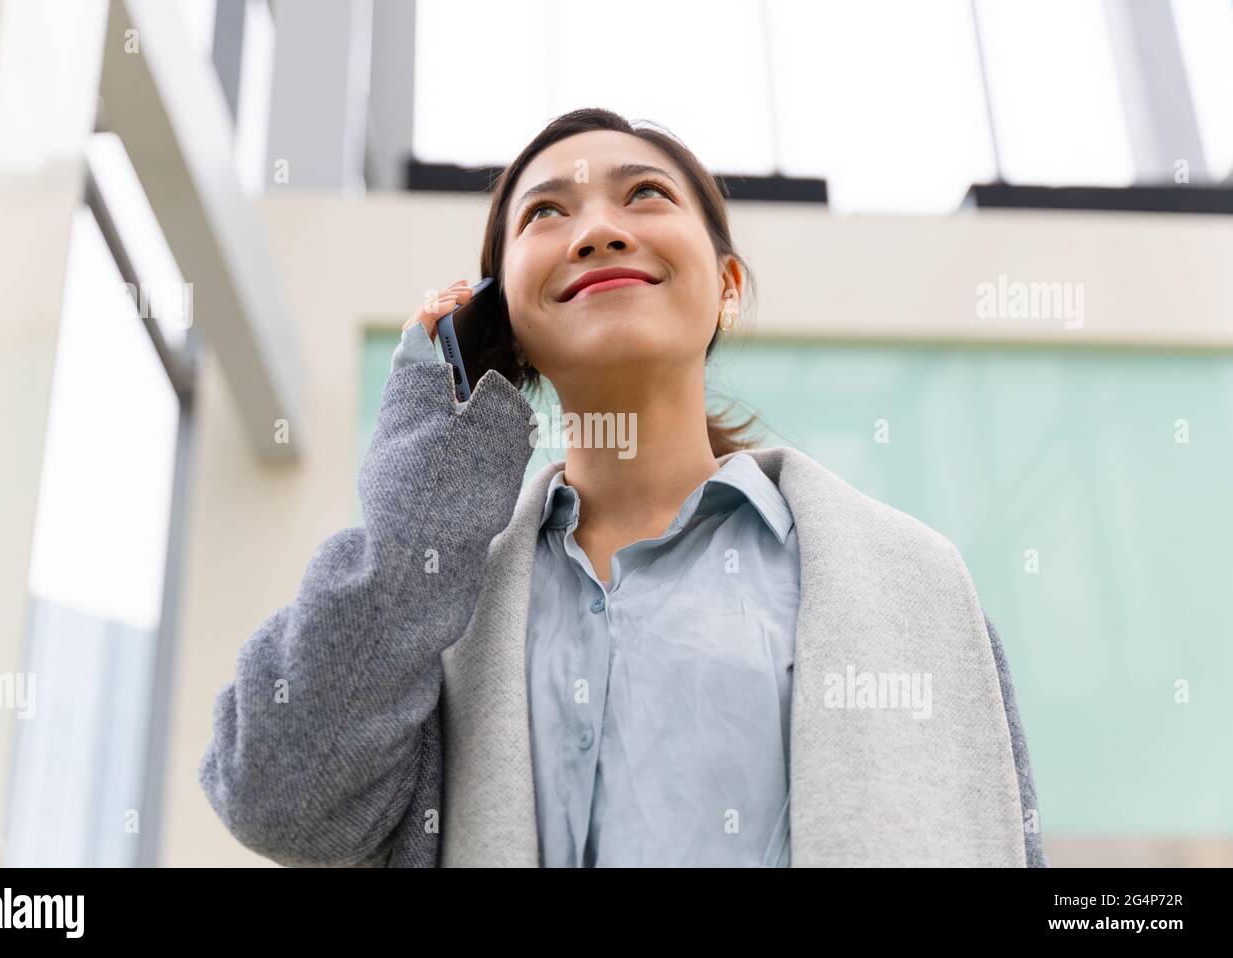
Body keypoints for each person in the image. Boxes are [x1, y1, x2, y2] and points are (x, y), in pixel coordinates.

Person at [200, 107, 1047, 868]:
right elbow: (280, 798)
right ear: (503, 321)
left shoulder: (914, 585)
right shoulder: (441, 615)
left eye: (644, 195)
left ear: (727, 287)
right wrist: (430, 452)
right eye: (545, 213)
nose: (598, 232)